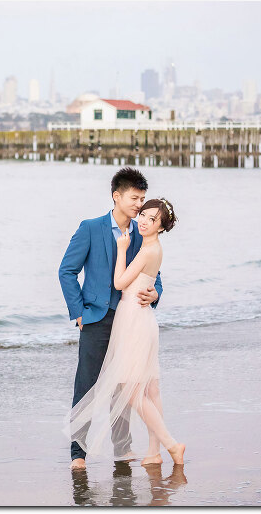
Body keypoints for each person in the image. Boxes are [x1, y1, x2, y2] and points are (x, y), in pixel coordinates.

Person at [65, 197, 185, 467]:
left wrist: (155, 293)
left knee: (128, 389)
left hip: (131, 317)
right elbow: (67, 271)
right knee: (88, 384)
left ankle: (126, 449)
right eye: (137, 202)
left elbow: (155, 276)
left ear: (160, 225)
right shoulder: (91, 228)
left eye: (143, 202)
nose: (140, 209)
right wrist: (79, 312)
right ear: (117, 197)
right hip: (97, 317)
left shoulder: (142, 235)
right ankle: (78, 453)